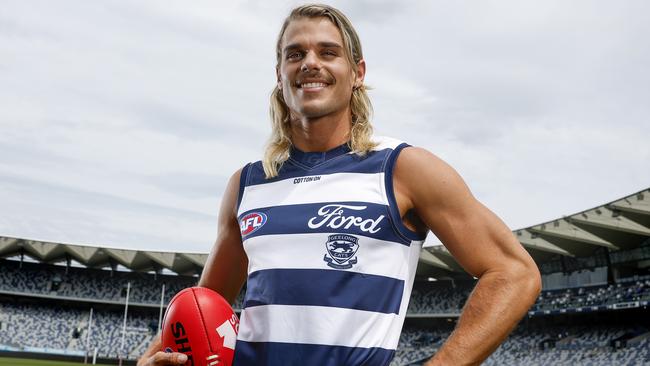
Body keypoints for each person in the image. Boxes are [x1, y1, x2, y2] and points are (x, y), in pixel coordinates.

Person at [138, 4, 541, 366]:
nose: (310, 63)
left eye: (328, 52)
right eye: (295, 54)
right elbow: (203, 305)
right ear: (279, 75)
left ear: (358, 74)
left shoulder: (403, 168)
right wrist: (156, 357)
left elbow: (514, 272)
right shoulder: (246, 184)